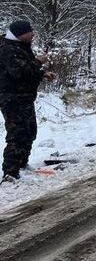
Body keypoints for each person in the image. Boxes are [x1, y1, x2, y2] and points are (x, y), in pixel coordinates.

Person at [1, 20, 54, 182]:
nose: (33, 34)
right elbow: (19, 73)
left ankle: (22, 163)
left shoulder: (20, 47)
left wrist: (42, 74)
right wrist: (39, 61)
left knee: (30, 131)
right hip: (12, 99)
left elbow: (26, 71)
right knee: (18, 134)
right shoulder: (8, 50)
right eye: (30, 31)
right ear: (20, 34)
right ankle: (10, 172)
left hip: (24, 98)